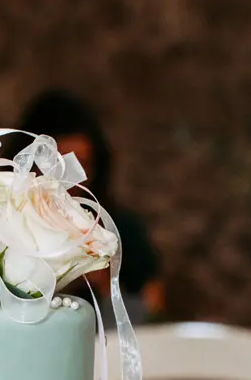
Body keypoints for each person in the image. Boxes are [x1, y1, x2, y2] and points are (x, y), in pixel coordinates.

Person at [19, 89, 166, 319]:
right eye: (58, 164)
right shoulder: (10, 221)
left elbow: (153, 315)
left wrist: (105, 285)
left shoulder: (121, 229)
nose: (71, 177)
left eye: (83, 165)